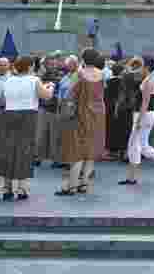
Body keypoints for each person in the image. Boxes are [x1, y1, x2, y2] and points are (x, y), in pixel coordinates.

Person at [0, 55, 54, 200]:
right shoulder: (34, 80)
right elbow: (46, 96)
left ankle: (6, 188)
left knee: (7, 150)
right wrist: (51, 87)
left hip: (9, 115)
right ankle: (21, 189)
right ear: (30, 67)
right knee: (25, 151)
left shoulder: (7, 80)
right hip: (28, 116)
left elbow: (1, 99)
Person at [57, 49, 106, 196]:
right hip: (98, 114)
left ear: (83, 59)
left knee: (77, 150)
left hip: (82, 113)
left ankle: (71, 186)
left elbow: (71, 94)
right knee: (91, 150)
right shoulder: (102, 74)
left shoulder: (80, 74)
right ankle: (84, 184)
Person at [120, 65, 154, 186]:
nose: (138, 70)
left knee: (133, 145)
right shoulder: (152, 79)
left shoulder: (149, 81)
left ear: (146, 67)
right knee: (143, 145)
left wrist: (139, 120)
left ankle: (132, 177)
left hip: (143, 114)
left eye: (140, 67)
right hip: (148, 115)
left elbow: (145, 102)